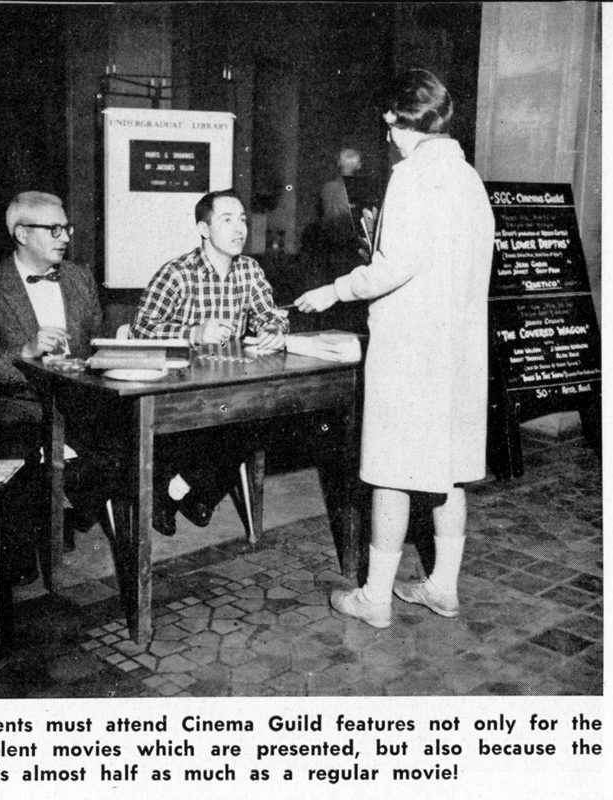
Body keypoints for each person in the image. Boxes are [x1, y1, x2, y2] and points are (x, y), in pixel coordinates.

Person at [295, 69, 495, 627]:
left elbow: (394, 267)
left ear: (391, 119)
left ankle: (374, 598)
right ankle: (442, 588)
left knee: (390, 473)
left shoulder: (410, 177)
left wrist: (334, 289)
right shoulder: (469, 179)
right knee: (448, 471)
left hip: (412, 352)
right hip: (458, 353)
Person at [0, 191, 112, 584]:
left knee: (119, 444)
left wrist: (113, 344)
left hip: (74, 401)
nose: (65, 238)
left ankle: (68, 517)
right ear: (22, 234)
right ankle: (21, 549)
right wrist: (24, 351)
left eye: (67, 228)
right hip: (11, 405)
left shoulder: (79, 279)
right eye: (54, 229)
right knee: (17, 450)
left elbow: (94, 344)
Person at [130, 188, 289, 536]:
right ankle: (189, 493)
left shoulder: (249, 270)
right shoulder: (177, 272)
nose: (240, 229)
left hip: (229, 387)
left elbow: (270, 314)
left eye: (243, 220)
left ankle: (180, 490)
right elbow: (140, 329)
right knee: (214, 432)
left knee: (258, 419)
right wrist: (193, 332)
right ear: (204, 229)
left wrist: (274, 328)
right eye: (227, 220)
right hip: (179, 390)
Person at [318, 146, 378, 333]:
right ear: (359, 165)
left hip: (330, 249)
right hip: (353, 250)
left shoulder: (327, 188)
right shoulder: (361, 189)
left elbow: (324, 217)